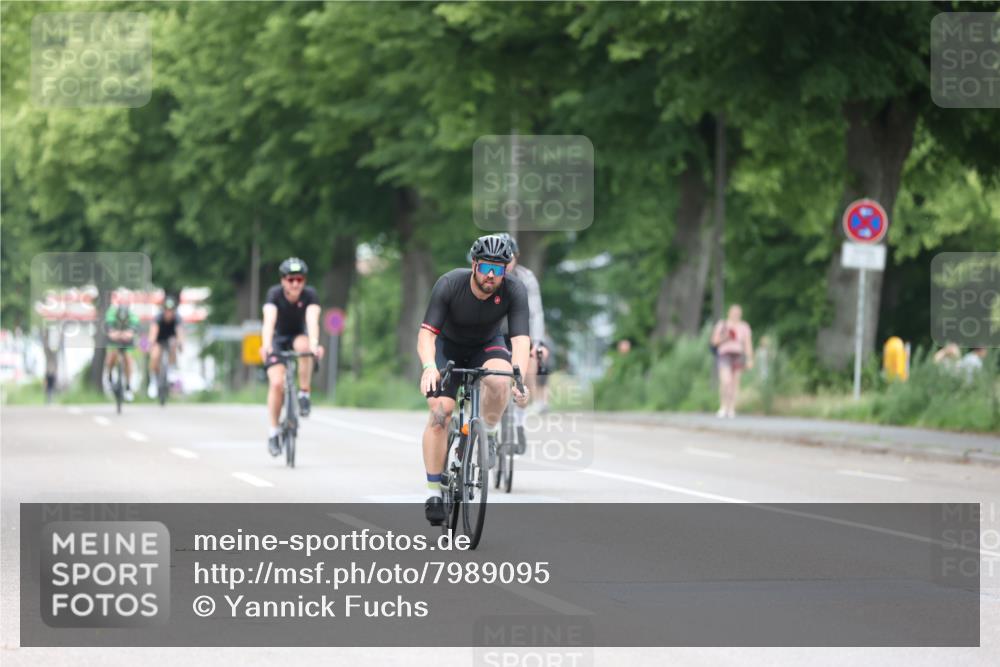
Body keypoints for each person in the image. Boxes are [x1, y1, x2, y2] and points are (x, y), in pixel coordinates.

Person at [418, 235, 530, 526]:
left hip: (486, 345)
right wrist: (430, 366)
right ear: (474, 265)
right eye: (486, 268)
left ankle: (488, 435)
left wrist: (520, 378)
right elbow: (427, 334)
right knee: (440, 413)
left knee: (501, 380)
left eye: (499, 269)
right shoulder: (449, 284)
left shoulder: (515, 290)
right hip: (447, 347)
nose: (492, 276)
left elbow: (520, 341)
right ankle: (433, 493)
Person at [259, 258, 324, 456]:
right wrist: (266, 345)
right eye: (290, 279)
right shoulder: (274, 295)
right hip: (278, 339)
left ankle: (304, 393)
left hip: (298, 336)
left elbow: (313, 321)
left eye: (299, 279)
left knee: (304, 346)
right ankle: (273, 432)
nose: (295, 284)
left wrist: (314, 345)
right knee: (277, 383)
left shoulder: (310, 295)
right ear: (283, 280)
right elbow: (268, 322)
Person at [496, 233, 550, 444]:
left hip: (520, 331)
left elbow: (536, 312)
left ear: (516, 257)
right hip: (495, 333)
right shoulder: (490, 276)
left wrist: (537, 343)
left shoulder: (526, 277)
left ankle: (519, 421)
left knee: (532, 360)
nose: (506, 263)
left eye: (509, 258)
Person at [710, 304, 753, 418]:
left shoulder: (744, 327)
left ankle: (731, 407)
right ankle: (723, 406)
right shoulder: (722, 324)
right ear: (729, 313)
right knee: (726, 381)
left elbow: (747, 344)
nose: (736, 315)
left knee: (735, 382)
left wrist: (749, 358)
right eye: (734, 312)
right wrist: (725, 337)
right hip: (724, 354)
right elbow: (714, 342)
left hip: (738, 355)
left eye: (738, 313)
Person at [104, 289, 140, 402]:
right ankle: (109, 375)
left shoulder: (132, 314)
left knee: (128, 361)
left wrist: (129, 333)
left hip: (126, 340)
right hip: (114, 339)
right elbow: (109, 324)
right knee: (110, 358)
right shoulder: (112, 312)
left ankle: (128, 386)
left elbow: (134, 326)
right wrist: (112, 333)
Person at [147, 296, 184, 399]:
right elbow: (153, 333)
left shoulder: (177, 318)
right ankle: (154, 381)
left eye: (171, 311)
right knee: (155, 356)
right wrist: (151, 344)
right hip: (159, 339)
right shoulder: (158, 318)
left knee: (173, 345)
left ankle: (171, 370)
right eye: (167, 311)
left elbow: (180, 333)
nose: (169, 313)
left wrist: (181, 344)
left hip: (170, 339)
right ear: (163, 310)